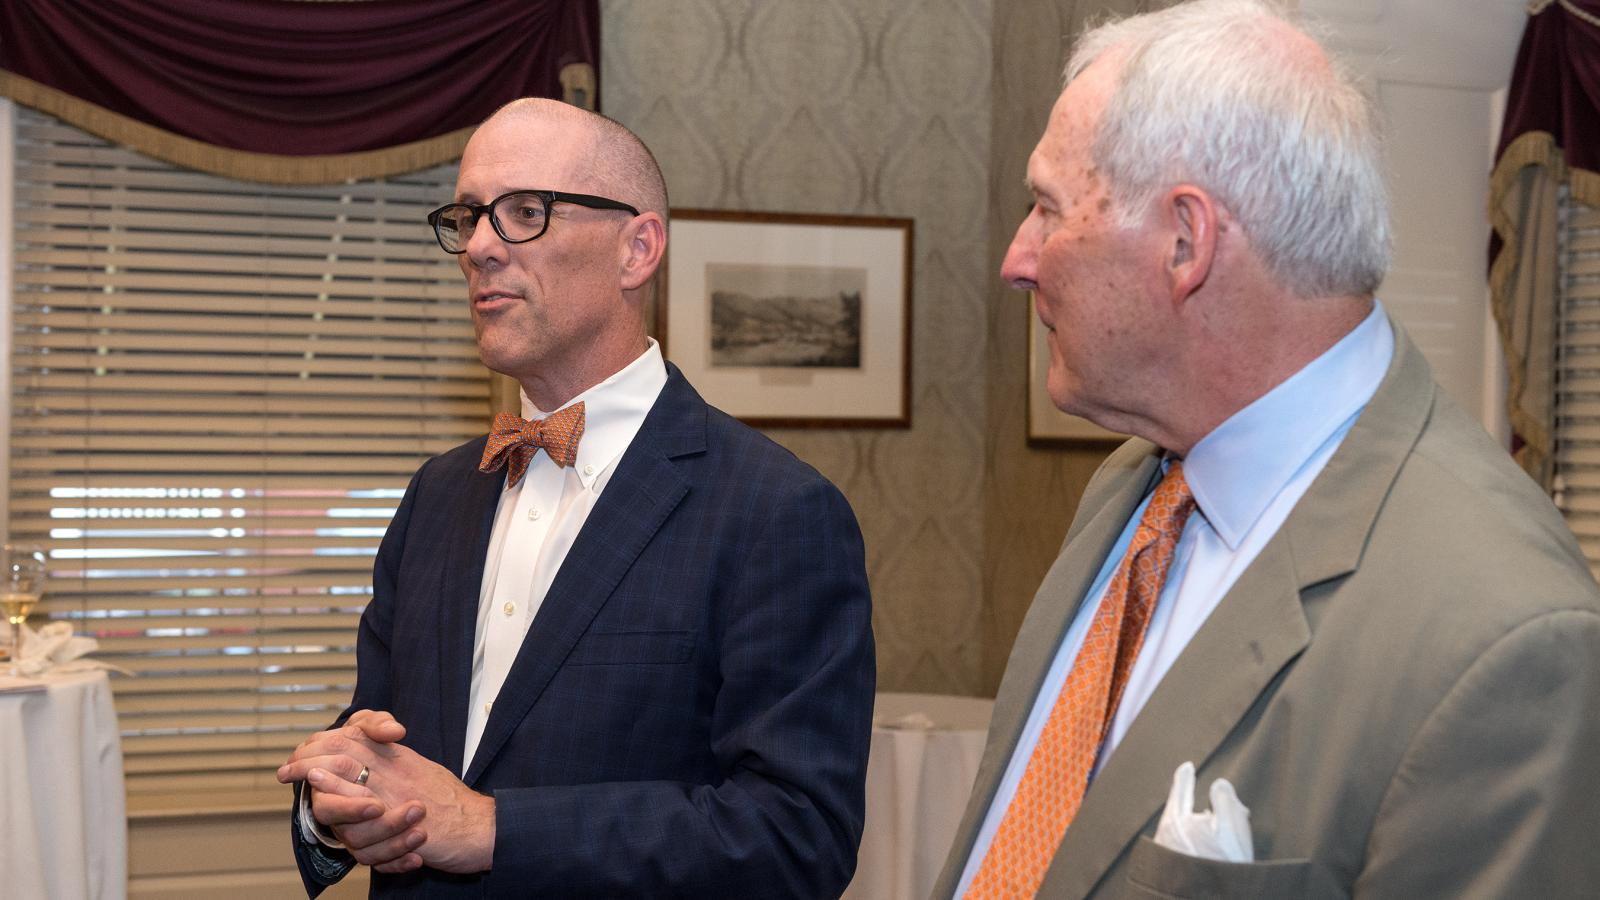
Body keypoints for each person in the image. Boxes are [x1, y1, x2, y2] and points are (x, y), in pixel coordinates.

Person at [936, 1, 1600, 897]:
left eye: (1048, 209)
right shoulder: (1133, 489)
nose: (1018, 259)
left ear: (1186, 241)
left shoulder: (1508, 644)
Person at [275, 98, 875, 898]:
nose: (480, 246)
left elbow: (797, 838)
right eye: (468, 217)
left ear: (637, 248)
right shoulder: (437, 495)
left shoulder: (776, 512)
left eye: (524, 212)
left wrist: (491, 828)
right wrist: (337, 800)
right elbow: (387, 753)